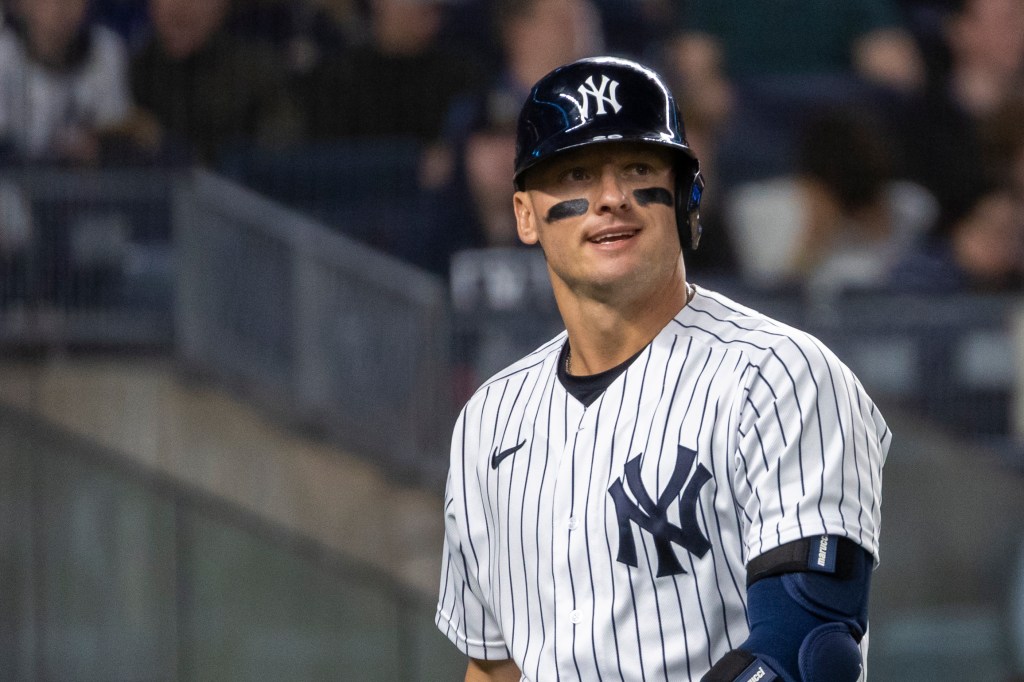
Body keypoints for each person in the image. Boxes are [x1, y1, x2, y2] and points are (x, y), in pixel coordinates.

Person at [435, 57, 891, 682]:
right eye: (575, 174)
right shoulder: (488, 422)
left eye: (639, 168)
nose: (611, 197)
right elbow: (494, 667)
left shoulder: (781, 377)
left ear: (685, 194)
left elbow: (806, 656)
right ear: (524, 214)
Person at [0, 0, 132, 165]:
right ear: (23, 4)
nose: (60, 7)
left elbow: (118, 131)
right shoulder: (3, 54)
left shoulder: (106, 49)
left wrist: (100, 144)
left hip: (88, 183)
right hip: (14, 183)